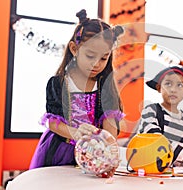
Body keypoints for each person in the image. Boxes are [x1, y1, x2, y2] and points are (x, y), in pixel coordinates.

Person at [29, 9, 125, 177]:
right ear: (74, 49)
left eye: (103, 58)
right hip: (59, 150)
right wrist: (75, 132)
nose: (96, 63)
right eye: (90, 55)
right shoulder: (58, 83)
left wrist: (108, 152)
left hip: (92, 154)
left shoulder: (105, 87)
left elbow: (110, 127)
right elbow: (52, 122)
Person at [138, 65, 183, 167]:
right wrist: (181, 154)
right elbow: (153, 137)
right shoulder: (151, 110)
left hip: (173, 171)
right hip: (148, 165)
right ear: (159, 88)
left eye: (180, 85)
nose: (173, 89)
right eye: (168, 84)